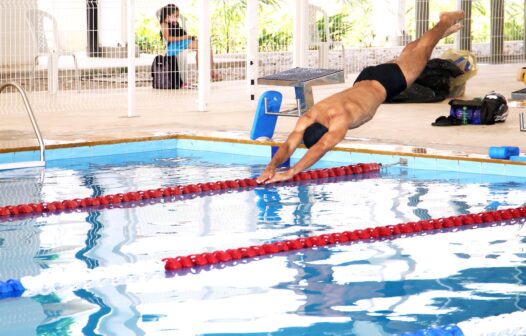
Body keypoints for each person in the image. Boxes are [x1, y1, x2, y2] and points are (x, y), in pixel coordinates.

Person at [256, 11, 464, 185]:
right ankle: (441, 32)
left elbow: (321, 147)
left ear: (326, 131)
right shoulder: (310, 116)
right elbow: (289, 145)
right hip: (366, 77)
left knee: (423, 51)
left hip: (387, 83)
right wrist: (271, 167)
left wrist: (292, 172)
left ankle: (445, 20)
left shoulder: (340, 121)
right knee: (411, 53)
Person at [158, 4, 221, 84]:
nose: (177, 18)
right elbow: (168, 38)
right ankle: (204, 74)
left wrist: (189, 37)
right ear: (167, 15)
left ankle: (211, 72)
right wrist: (184, 37)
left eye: (177, 16)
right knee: (202, 47)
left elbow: (178, 33)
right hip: (175, 45)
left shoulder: (173, 23)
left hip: (183, 41)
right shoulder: (164, 24)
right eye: (175, 16)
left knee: (208, 47)